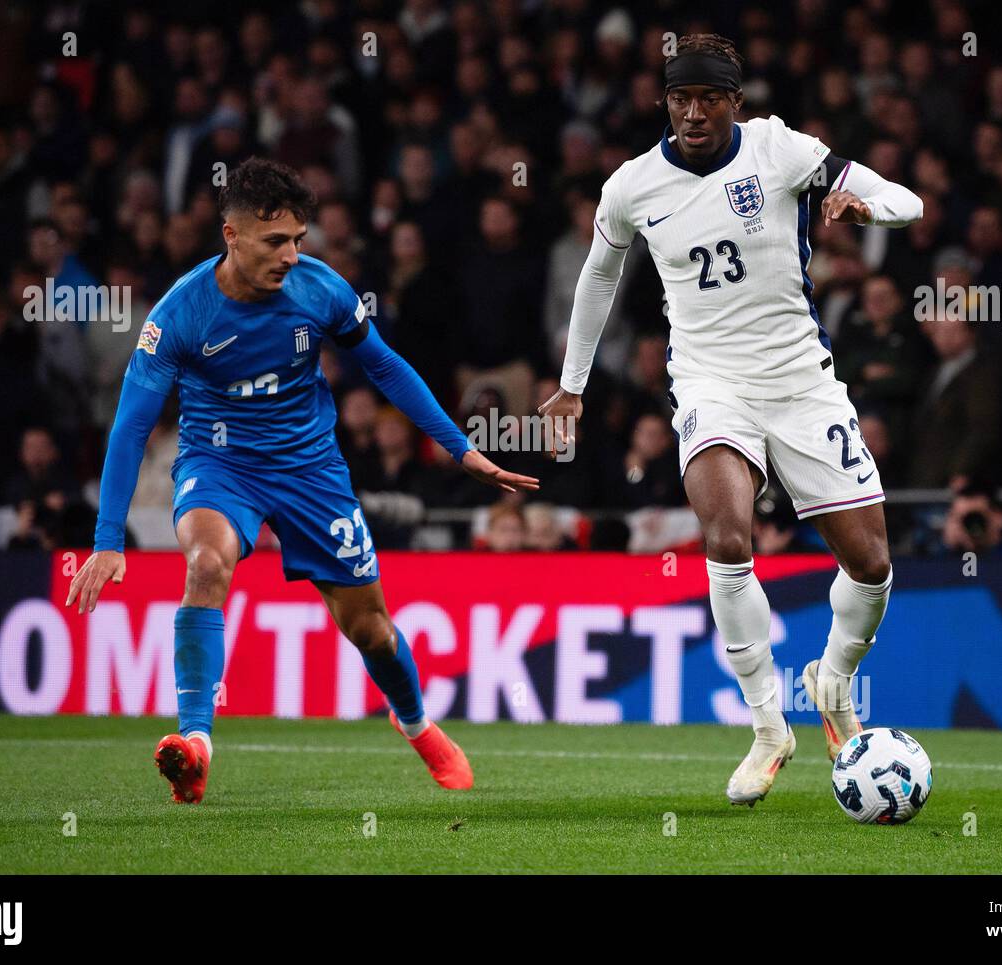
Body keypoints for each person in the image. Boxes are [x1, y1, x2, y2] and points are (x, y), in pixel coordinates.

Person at [65, 159, 537, 804]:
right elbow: (129, 429)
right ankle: (196, 743)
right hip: (219, 464)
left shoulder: (322, 291)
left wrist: (460, 449)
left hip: (312, 469)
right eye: (274, 242)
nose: (290, 255)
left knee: (370, 628)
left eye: (297, 239)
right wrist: (108, 538)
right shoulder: (179, 315)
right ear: (230, 237)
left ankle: (417, 722)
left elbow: (387, 368)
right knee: (205, 563)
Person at [540, 34, 922, 806]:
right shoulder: (632, 186)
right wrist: (572, 383)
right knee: (725, 537)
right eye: (680, 99)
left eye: (709, 99)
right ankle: (767, 727)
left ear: (734, 103)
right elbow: (598, 275)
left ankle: (833, 681)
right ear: (665, 104)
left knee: (873, 563)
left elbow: (906, 201)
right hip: (712, 386)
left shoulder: (782, 152)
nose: (693, 113)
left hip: (801, 384)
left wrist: (865, 208)